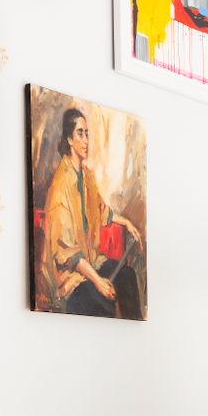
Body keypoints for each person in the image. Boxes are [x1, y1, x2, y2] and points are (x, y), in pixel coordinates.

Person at [42, 108, 144, 319]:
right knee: (102, 303)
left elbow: (100, 210)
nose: (86, 139)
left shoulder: (87, 177)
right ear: (70, 139)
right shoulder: (60, 186)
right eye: (80, 133)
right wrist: (99, 282)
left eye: (87, 133)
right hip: (70, 277)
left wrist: (126, 223)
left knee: (128, 276)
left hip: (91, 262)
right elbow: (69, 254)